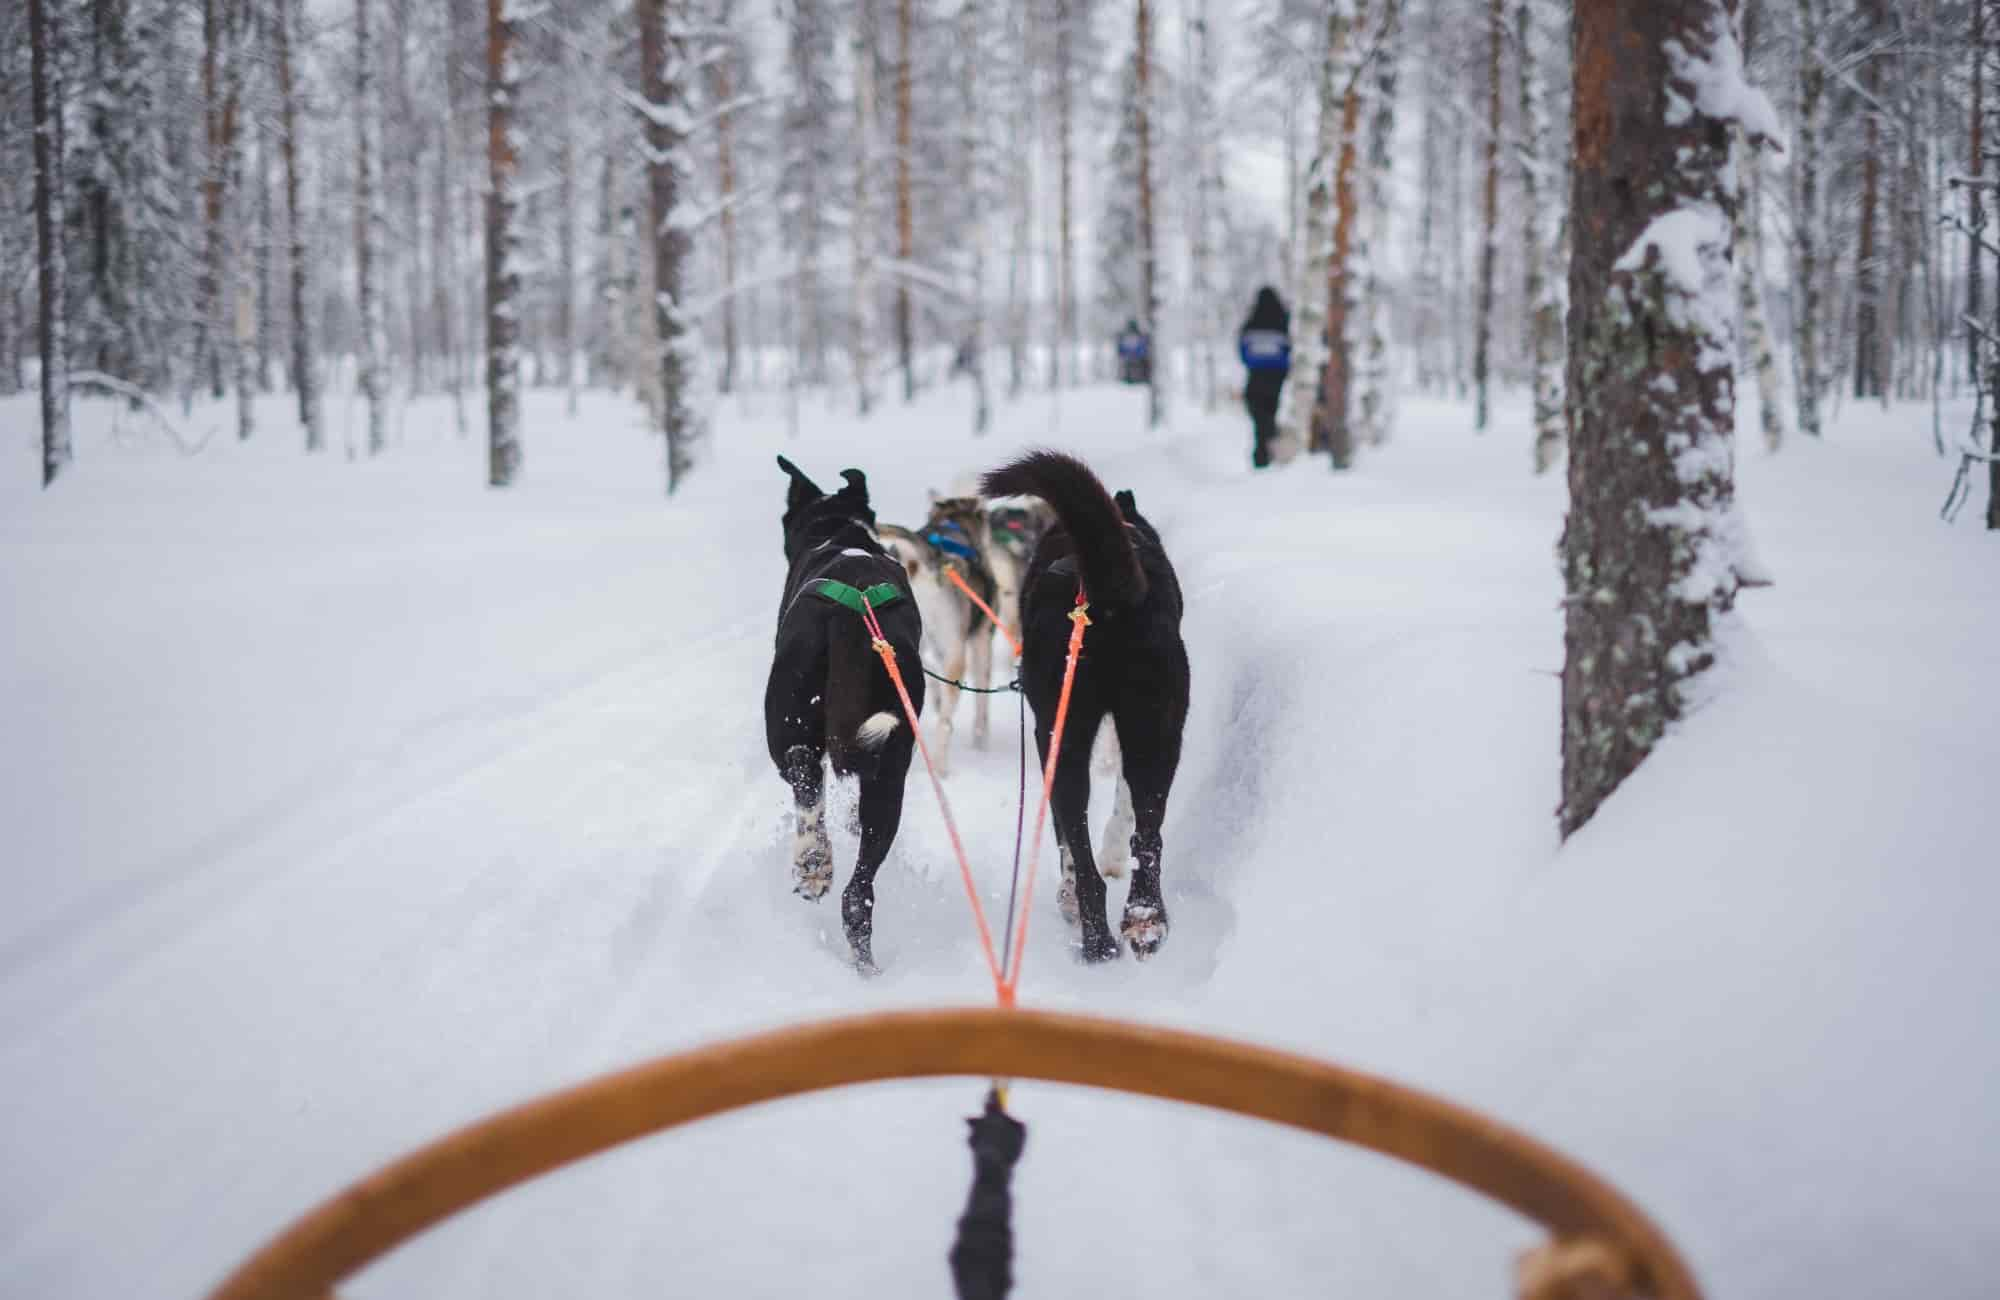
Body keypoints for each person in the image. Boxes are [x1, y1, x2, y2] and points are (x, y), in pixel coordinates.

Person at [1237, 286, 1291, 468]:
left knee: (1259, 417)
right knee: (1270, 414)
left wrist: (1253, 362)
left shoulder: (1251, 322)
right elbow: (1289, 349)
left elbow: (1243, 350)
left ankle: (1262, 453)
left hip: (1256, 377)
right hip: (1276, 377)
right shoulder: (1283, 320)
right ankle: (1269, 450)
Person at [1115, 318, 1151, 385]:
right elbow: (1121, 349)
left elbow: (1143, 347)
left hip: (1136, 359)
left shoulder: (1128, 336)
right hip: (1133, 359)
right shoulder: (1126, 336)